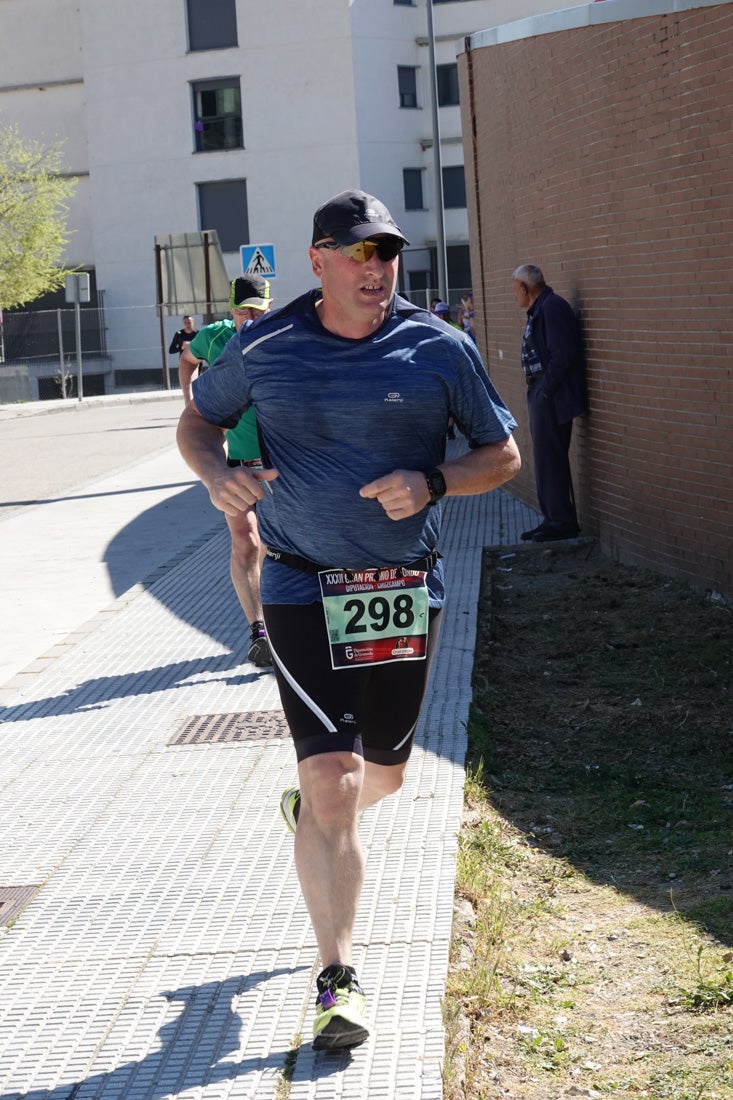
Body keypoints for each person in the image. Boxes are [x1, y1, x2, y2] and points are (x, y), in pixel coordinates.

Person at [177, 188, 520, 1051]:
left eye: (387, 253)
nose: (376, 269)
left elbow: (502, 453)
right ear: (319, 260)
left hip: (400, 588)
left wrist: (436, 482)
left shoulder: (438, 347)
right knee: (335, 782)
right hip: (298, 586)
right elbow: (197, 419)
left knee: (383, 779)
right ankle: (338, 978)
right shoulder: (267, 344)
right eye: (358, 254)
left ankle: (318, 815)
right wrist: (215, 476)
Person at [178, 275, 273, 667]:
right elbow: (187, 358)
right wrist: (188, 401)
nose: (248, 318)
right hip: (236, 464)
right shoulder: (215, 338)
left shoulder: (281, 336)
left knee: (276, 545)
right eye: (240, 311)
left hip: (279, 463)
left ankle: (285, 618)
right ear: (228, 309)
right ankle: (259, 632)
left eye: (256, 311)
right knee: (246, 541)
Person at [512, 263, 587, 542]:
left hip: (550, 396)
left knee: (551, 458)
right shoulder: (541, 309)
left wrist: (545, 391)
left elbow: (563, 354)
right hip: (542, 393)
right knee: (544, 459)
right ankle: (552, 518)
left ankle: (561, 521)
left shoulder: (552, 307)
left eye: (515, 290)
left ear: (524, 288)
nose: (514, 296)